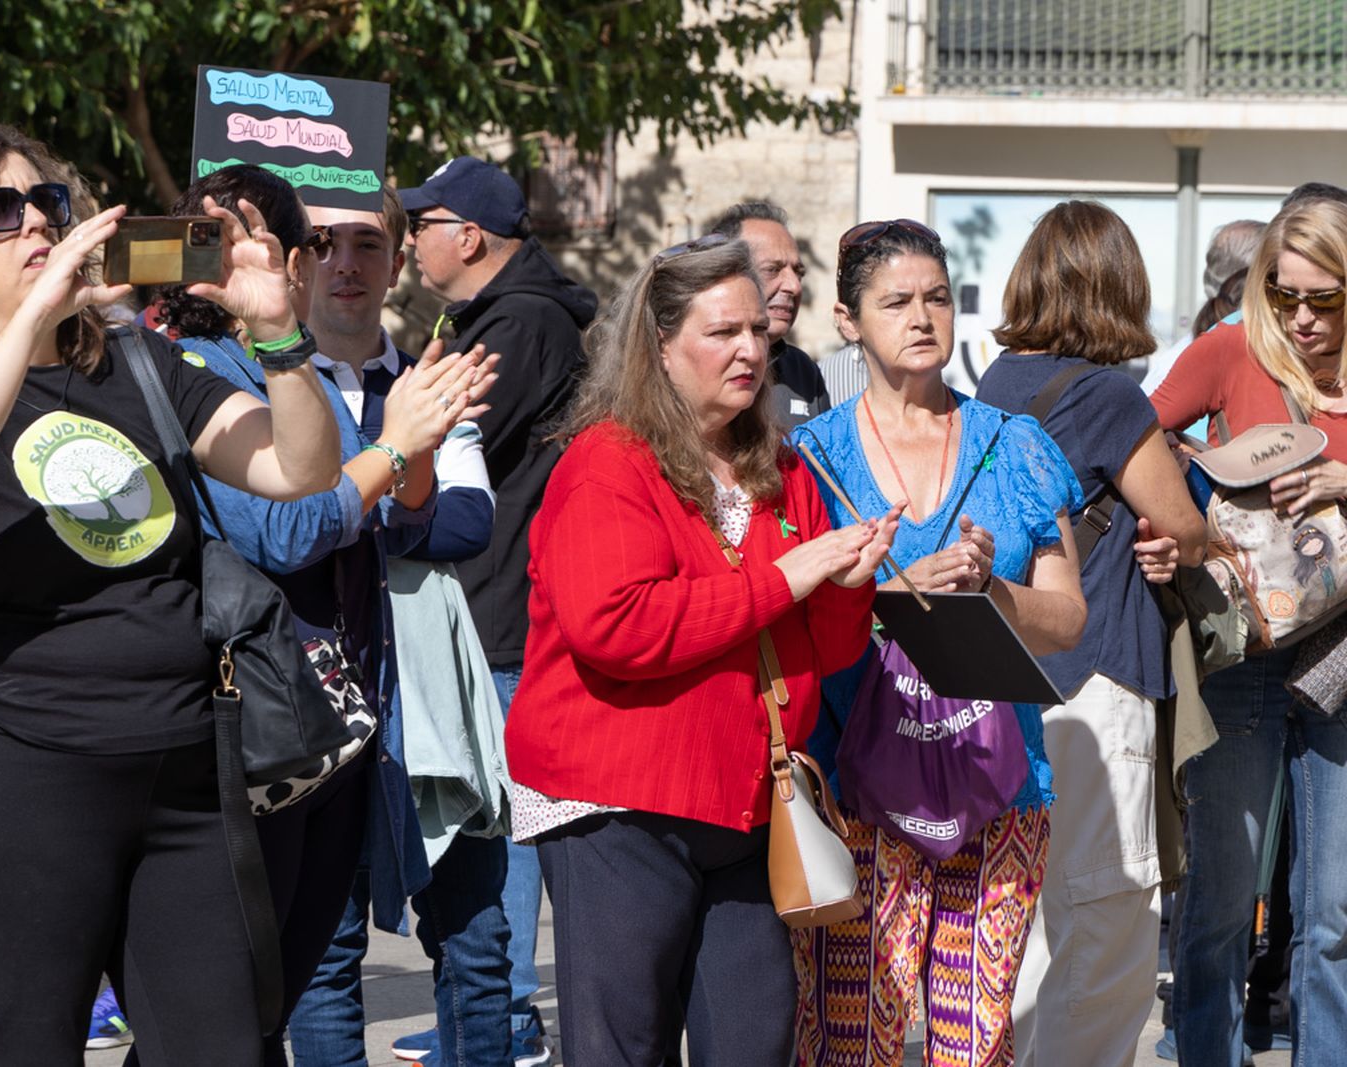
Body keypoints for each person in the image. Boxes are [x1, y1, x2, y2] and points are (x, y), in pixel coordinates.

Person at [0, 127, 342, 1064]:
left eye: (51, 204)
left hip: (179, 771)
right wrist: (35, 314)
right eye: (2, 210)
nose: (38, 221)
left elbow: (302, 467)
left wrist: (280, 336)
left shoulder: (136, 366)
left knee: (221, 1047)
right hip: (10, 774)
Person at [504, 236, 895, 1065]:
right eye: (723, 332)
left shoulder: (783, 471)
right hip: (619, 803)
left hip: (747, 804)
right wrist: (788, 578)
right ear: (660, 346)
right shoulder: (606, 461)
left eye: (758, 328)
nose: (752, 348)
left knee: (756, 1038)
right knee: (623, 1046)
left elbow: (824, 647)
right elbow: (618, 627)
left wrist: (848, 581)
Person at [152, 170, 497, 1066]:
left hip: (337, 718)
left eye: (271, 247)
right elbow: (287, 527)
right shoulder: (188, 368)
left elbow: (411, 519)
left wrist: (412, 442)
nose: (257, 264)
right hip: (249, 725)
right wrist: (391, 446)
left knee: (283, 987)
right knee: (237, 1005)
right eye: (226, 242)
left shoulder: (296, 366)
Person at [787, 218, 1088, 1067]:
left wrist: (990, 588)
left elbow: (1068, 619)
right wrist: (894, 590)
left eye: (938, 298)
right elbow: (783, 608)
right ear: (848, 322)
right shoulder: (808, 458)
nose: (922, 317)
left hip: (998, 787)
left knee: (976, 1040)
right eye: (895, 302)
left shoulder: (1016, 445)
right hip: (854, 790)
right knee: (855, 1043)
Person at [974, 201, 1207, 1067]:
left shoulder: (995, 384)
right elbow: (1181, 527)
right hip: (1098, 674)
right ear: (1119, 286)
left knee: (1029, 929)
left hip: (1011, 677)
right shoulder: (1110, 396)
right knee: (1106, 926)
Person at [399, 154, 597, 1066]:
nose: (406, 242)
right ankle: (485, 1010)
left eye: (418, 224)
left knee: (500, 818)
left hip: (506, 610)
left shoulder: (518, 325)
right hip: (491, 600)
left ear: (467, 235)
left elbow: (442, 433)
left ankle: (506, 1014)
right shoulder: (494, 316)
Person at [1150, 197, 1347, 1067]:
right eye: (1284, 292)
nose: (1301, 317)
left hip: (1343, 660)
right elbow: (1137, 433)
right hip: (1242, 651)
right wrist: (1182, 529)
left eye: (1326, 298)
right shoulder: (1232, 349)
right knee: (1224, 898)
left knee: (1335, 910)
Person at [709, 200, 828, 422]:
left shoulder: (802, 371)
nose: (794, 286)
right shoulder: (698, 362)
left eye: (798, 272)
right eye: (772, 270)